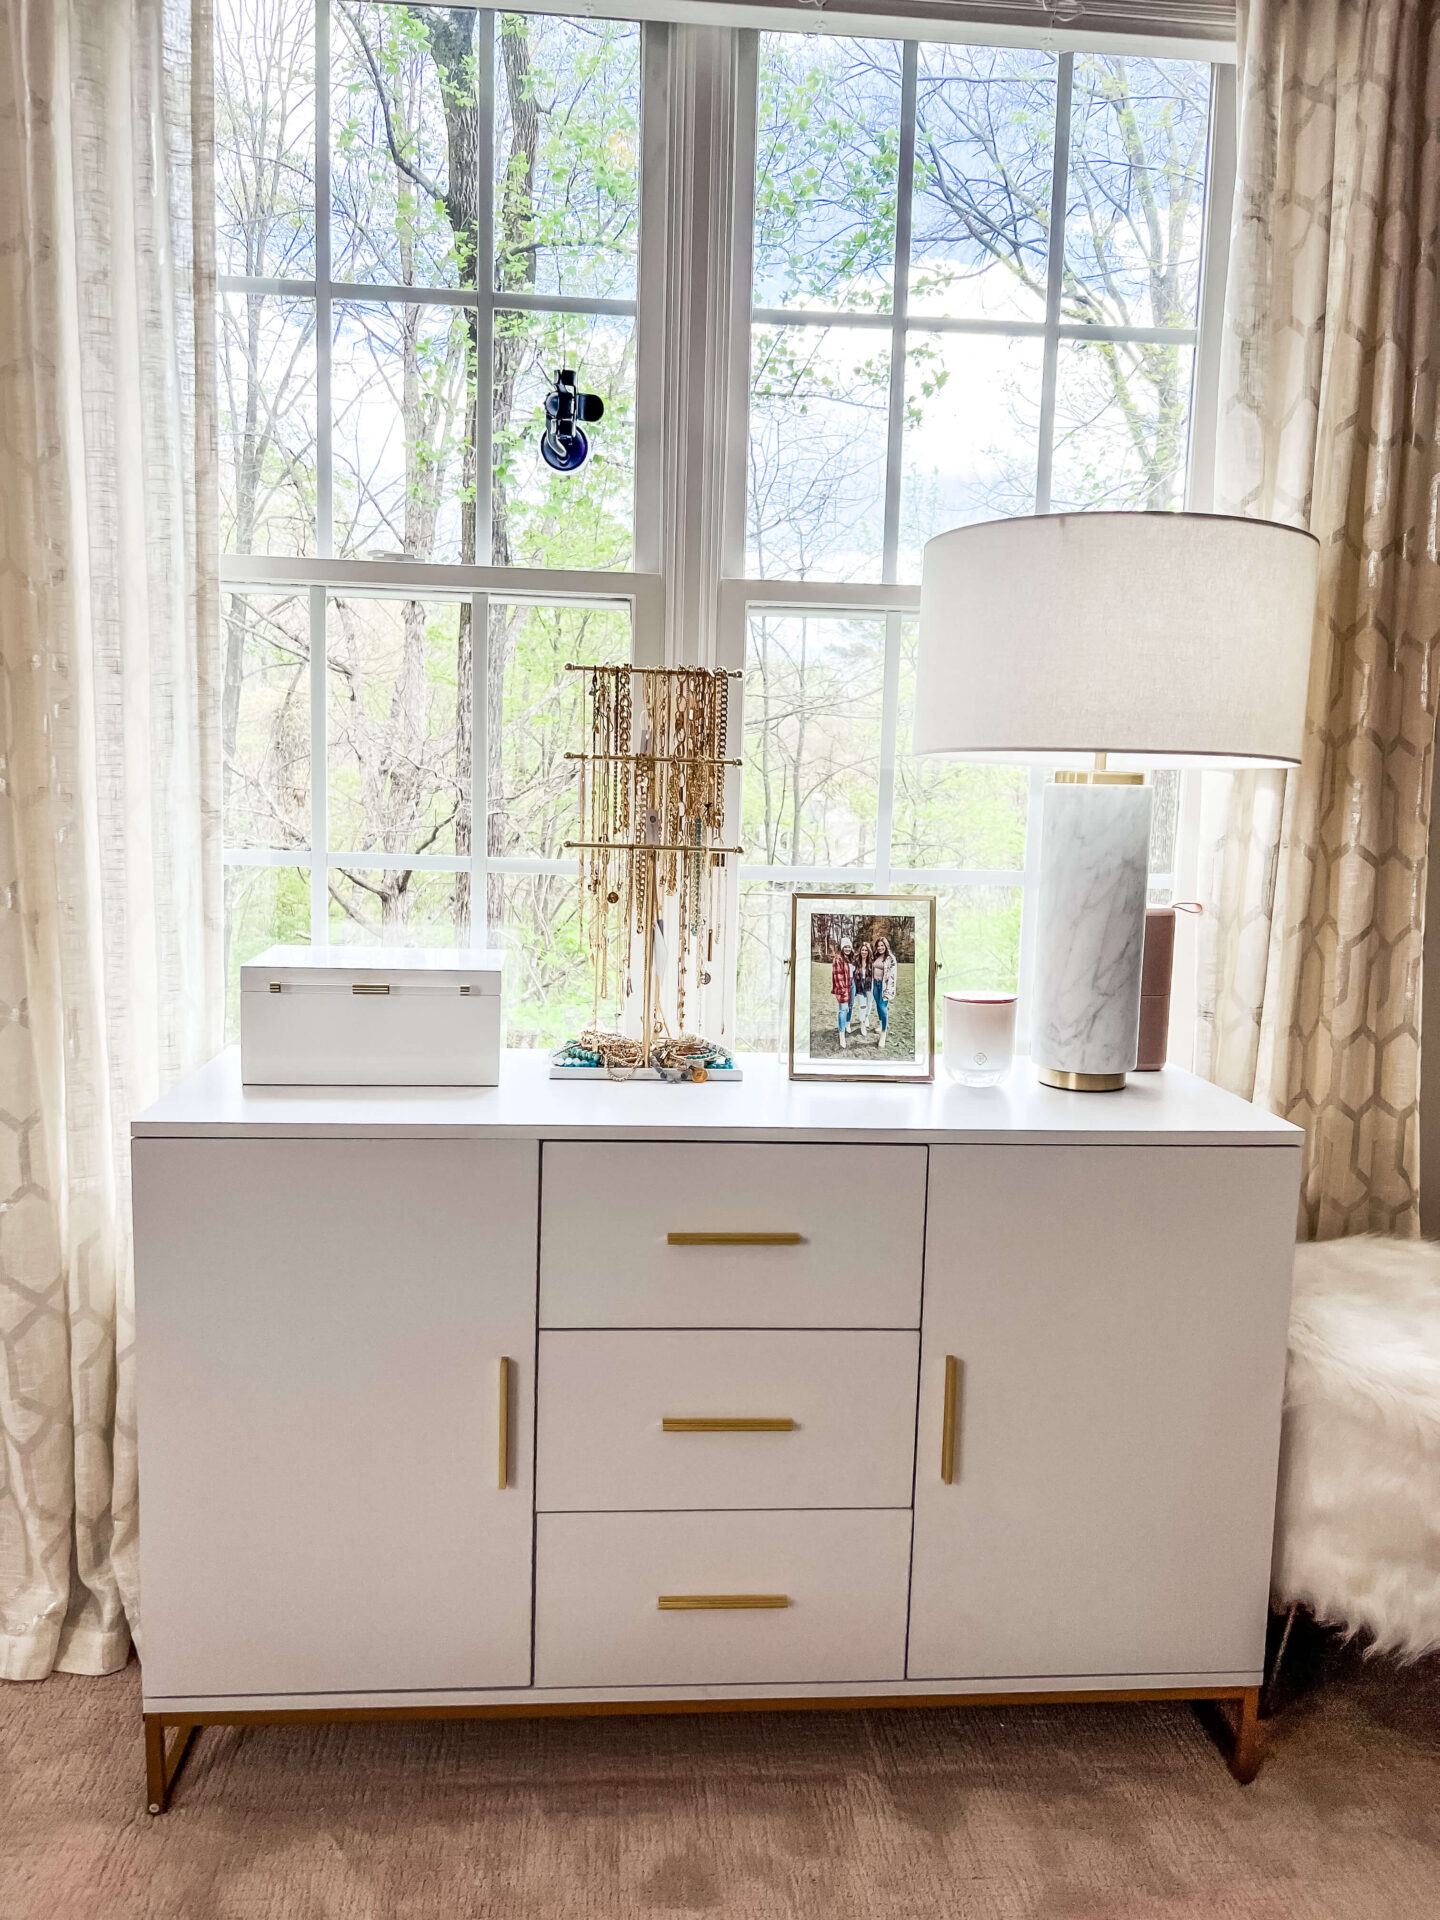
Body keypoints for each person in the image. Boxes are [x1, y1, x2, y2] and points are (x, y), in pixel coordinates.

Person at [873, 935, 898, 1051]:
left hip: (884, 987)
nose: (880, 947)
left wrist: (888, 991)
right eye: (878, 946)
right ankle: (880, 1024)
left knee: (883, 1008)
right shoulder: (876, 956)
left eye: (882, 945)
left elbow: (892, 976)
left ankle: (883, 1033)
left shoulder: (890, 958)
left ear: (886, 946)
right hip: (875, 985)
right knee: (878, 1006)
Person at [830, 936, 855, 1049]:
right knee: (843, 1009)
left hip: (852, 984)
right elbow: (838, 976)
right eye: (845, 946)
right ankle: (841, 1035)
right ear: (842, 947)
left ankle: (847, 1024)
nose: (847, 949)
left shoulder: (851, 958)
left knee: (850, 1006)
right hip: (843, 985)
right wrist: (842, 990)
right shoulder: (838, 958)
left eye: (849, 946)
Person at [853, 941, 875, 1037]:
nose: (864, 952)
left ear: (868, 951)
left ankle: (866, 1017)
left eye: (866, 950)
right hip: (859, 986)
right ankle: (862, 1024)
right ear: (860, 950)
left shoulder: (872, 961)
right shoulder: (856, 961)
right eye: (862, 950)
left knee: (869, 1003)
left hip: (869, 985)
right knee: (862, 1005)